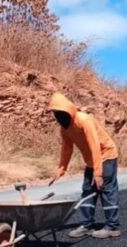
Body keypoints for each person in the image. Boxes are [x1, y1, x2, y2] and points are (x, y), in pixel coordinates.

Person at [49, 92, 120, 238]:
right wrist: (61, 169)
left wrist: (98, 173)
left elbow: (95, 145)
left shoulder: (84, 120)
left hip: (106, 155)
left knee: (106, 190)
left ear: (69, 110)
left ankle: (113, 227)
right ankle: (86, 225)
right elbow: (67, 148)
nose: (59, 116)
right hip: (91, 161)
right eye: (56, 113)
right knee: (87, 190)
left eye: (61, 112)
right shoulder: (65, 129)